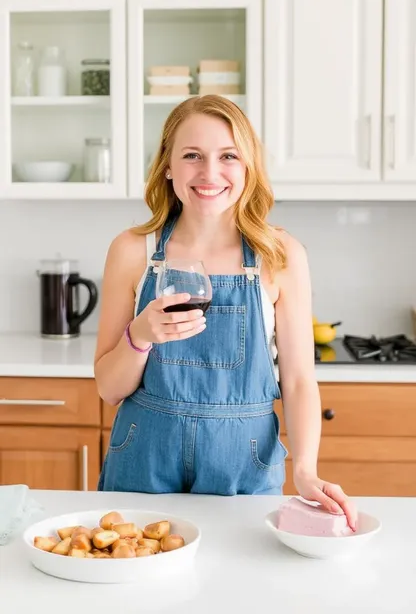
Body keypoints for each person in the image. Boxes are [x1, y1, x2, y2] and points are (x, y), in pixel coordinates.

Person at [95, 95, 356, 529]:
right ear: (167, 165)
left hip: (244, 462)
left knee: (241, 588)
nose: (209, 173)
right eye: (192, 155)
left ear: (248, 166)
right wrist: (140, 334)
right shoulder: (132, 251)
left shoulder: (279, 255)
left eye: (228, 156)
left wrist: (306, 469)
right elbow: (108, 388)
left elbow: (297, 380)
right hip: (143, 459)